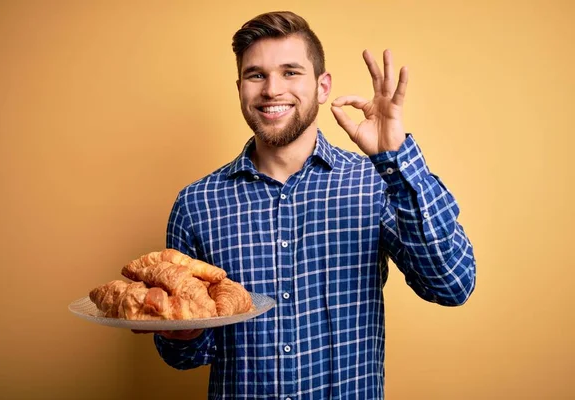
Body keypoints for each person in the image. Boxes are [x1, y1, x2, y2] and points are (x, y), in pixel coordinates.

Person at [152, 10, 476, 399]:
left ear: (323, 87)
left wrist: (396, 158)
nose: (272, 89)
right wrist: (180, 331)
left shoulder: (373, 182)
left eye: (291, 72)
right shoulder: (196, 204)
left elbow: (452, 285)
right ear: (240, 87)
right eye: (257, 75)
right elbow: (188, 356)